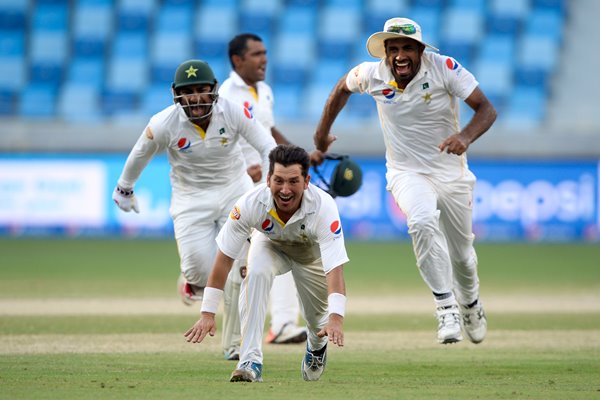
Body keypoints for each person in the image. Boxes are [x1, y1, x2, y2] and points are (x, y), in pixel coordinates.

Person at [313, 17, 497, 345]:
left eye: (407, 48)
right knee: (422, 222)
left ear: (420, 51)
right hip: (405, 172)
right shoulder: (370, 74)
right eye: (393, 48)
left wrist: (465, 137)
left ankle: (470, 303)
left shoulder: (445, 68)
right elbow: (342, 87)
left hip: (451, 172)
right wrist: (321, 133)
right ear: (385, 53)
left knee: (463, 257)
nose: (400, 55)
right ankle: (445, 307)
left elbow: (486, 109)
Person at [112, 59, 276, 357]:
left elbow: (267, 146)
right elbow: (140, 154)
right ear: (177, 94)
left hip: (234, 192)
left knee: (242, 268)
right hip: (190, 200)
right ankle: (192, 281)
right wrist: (125, 187)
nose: (196, 97)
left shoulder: (232, 110)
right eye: (189, 92)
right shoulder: (164, 122)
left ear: (213, 90)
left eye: (202, 89)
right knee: (202, 273)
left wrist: (268, 187)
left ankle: (235, 345)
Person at [184, 144, 349, 383]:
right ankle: (249, 361)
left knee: (318, 319)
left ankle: (316, 346)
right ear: (268, 179)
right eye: (278, 180)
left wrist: (336, 319)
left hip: (310, 256)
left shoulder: (324, 207)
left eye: (293, 181)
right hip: (271, 244)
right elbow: (223, 260)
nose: (285, 190)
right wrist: (208, 313)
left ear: (306, 181)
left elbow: (335, 268)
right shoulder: (250, 204)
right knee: (256, 272)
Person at [219, 33, 314, 347]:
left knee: (281, 246)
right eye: (257, 54)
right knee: (233, 262)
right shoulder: (226, 94)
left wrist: (296, 156)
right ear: (237, 60)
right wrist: (242, 168)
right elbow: (220, 140)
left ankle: (284, 324)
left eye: (265, 53)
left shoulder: (265, 91)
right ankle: (198, 285)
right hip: (239, 185)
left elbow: (267, 131)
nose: (265, 60)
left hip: (269, 187)